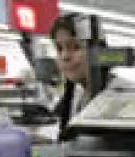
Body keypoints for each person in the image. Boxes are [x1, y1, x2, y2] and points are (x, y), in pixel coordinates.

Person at [50, 13, 129, 141]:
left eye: (75, 47)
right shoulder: (78, 96)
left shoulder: (123, 95)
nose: (65, 56)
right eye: (59, 49)